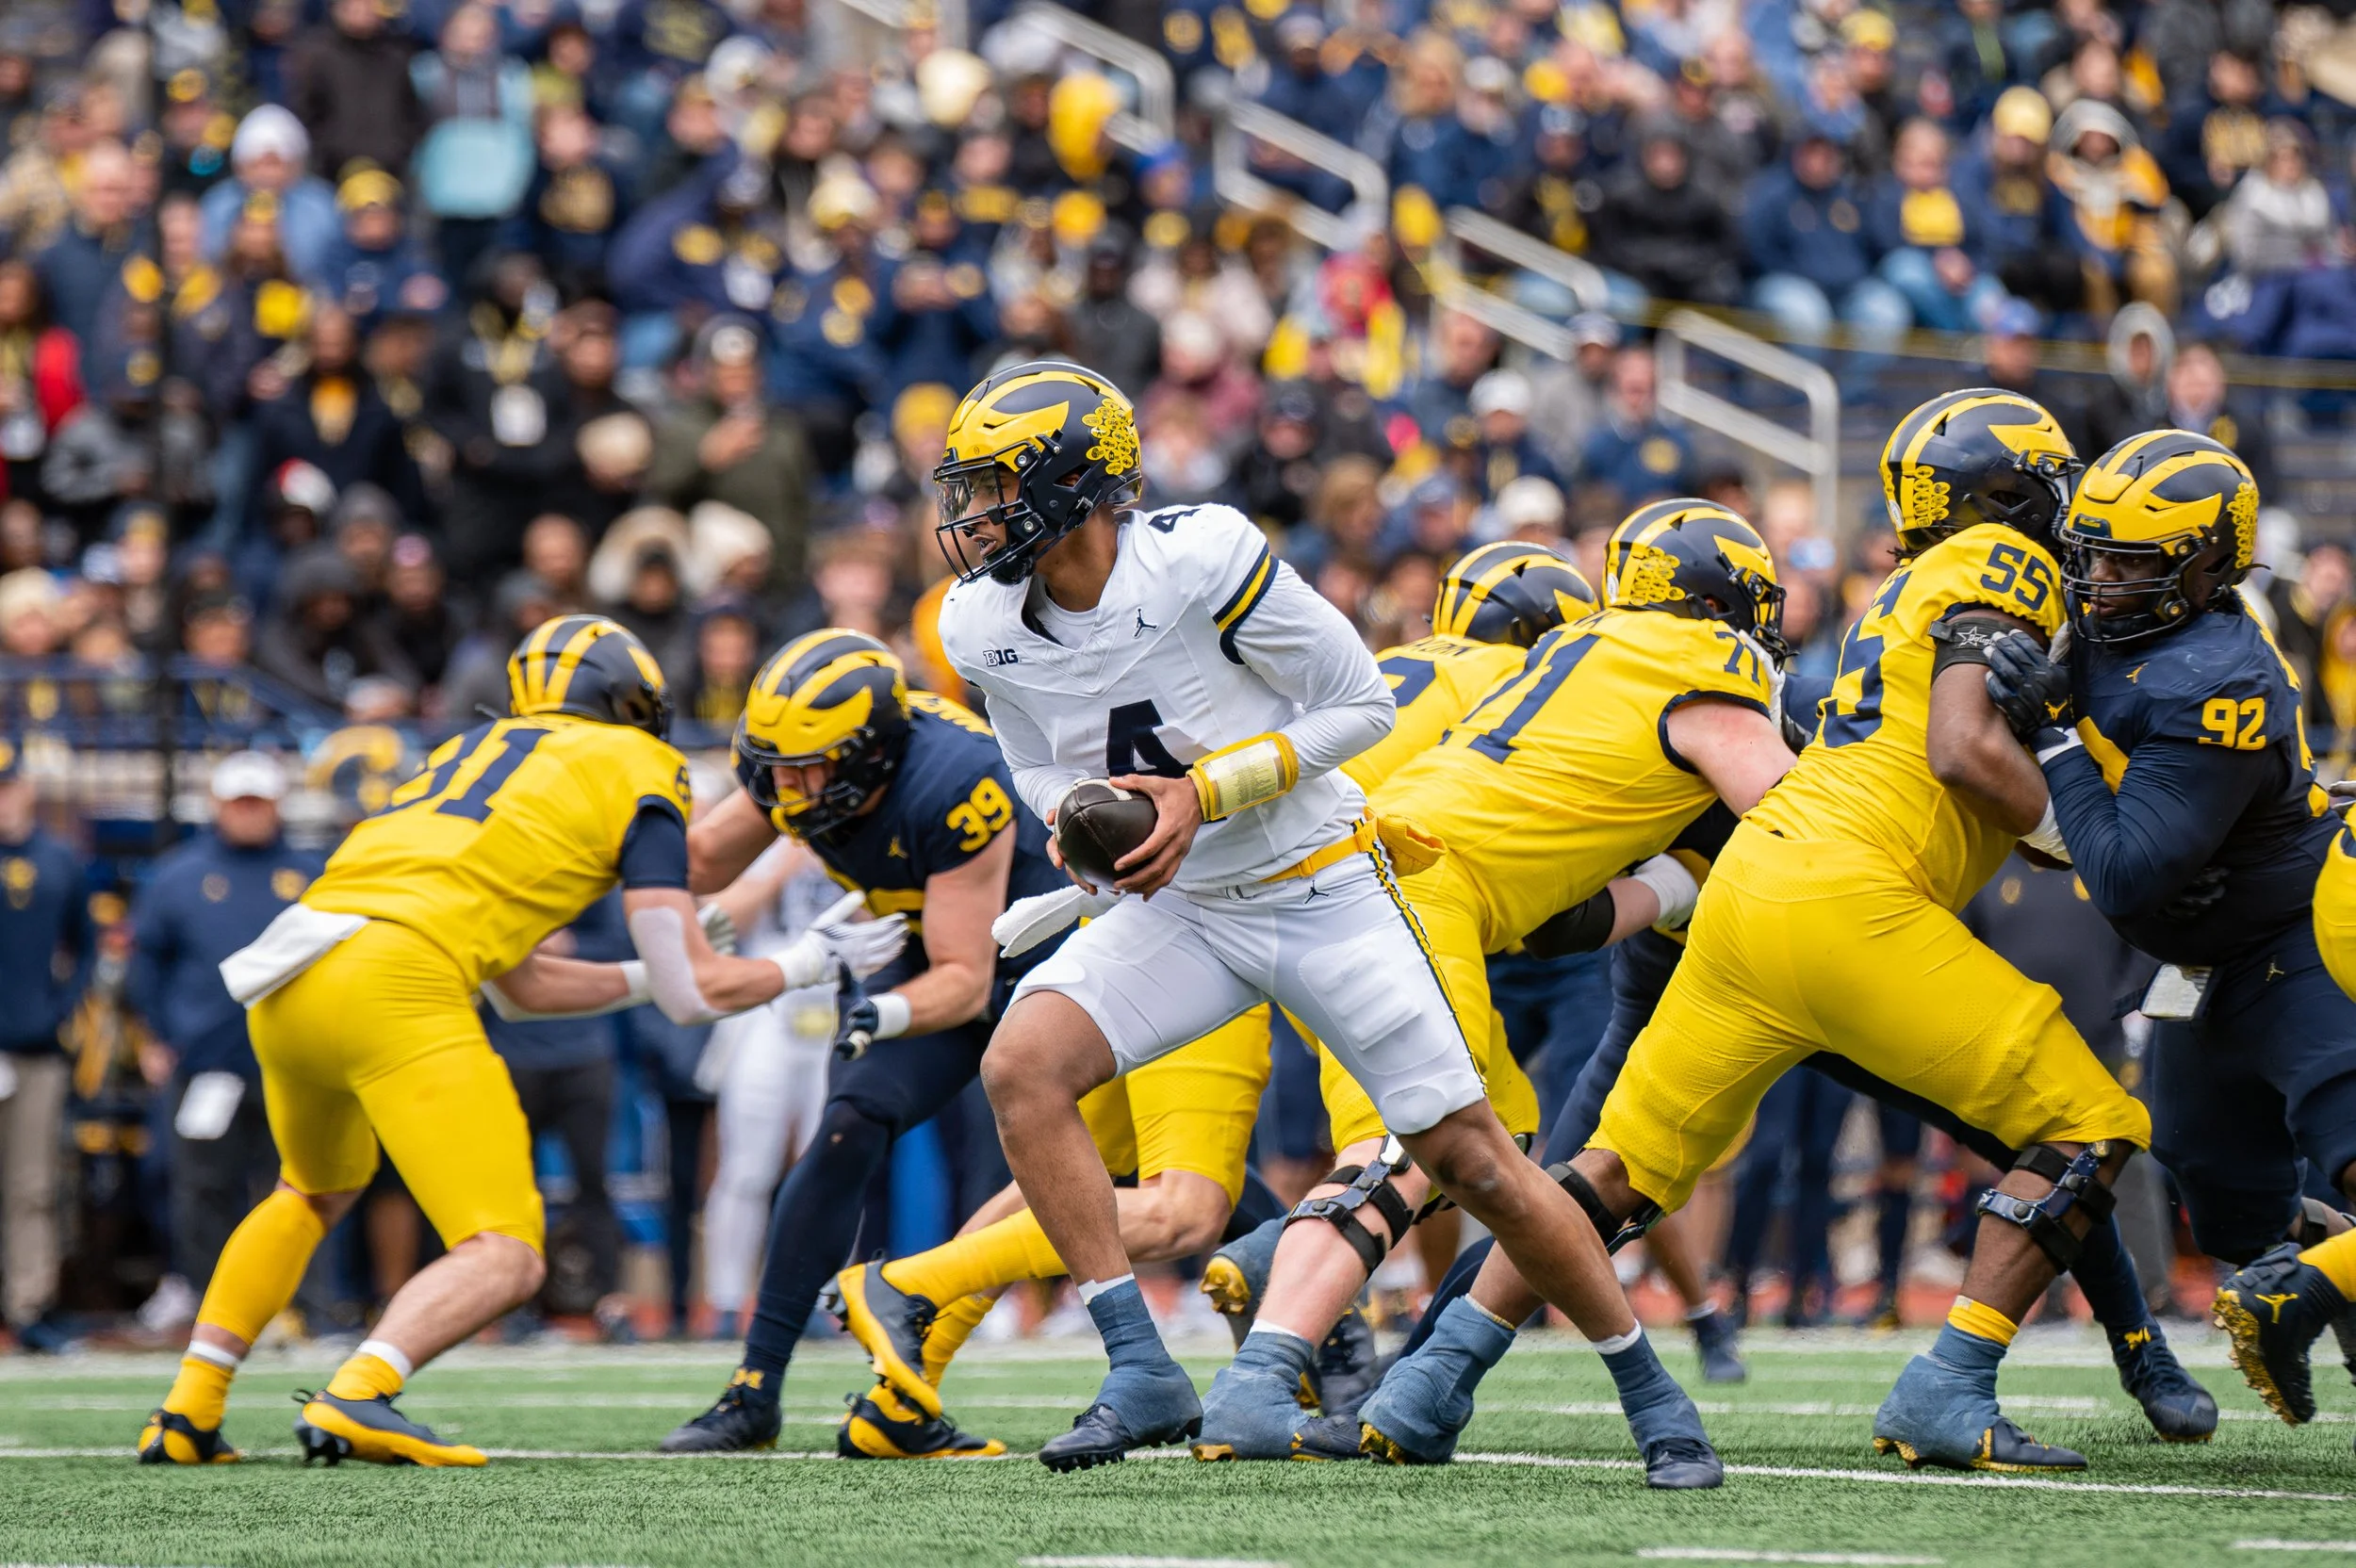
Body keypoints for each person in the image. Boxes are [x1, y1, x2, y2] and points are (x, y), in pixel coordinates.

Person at [932, 361, 1722, 1483]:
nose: (974, 515)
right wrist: (1077, 825)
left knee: (1474, 1158)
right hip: (1189, 903)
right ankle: (1139, 1365)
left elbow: (1361, 706)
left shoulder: (1199, 557)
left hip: (1320, 882)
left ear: (1077, 480)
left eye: (999, 485)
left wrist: (1201, 795)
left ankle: (1651, 1385)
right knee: (1022, 1063)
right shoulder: (978, 621)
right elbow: (1040, 763)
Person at [837, 543, 1595, 1443]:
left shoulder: (1400, 663)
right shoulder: (1534, 697)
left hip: (1168, 895)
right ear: (1552, 638)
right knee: (1346, 1163)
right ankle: (932, 1286)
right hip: (1307, 896)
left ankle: (910, 1368)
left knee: (1064, 1146)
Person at [1554, 389, 2156, 1475]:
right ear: (2006, 495)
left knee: (1607, 1169)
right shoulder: (1995, 568)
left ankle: (1430, 1376)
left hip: (1745, 890)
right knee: (2088, 1120)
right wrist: (2086, 832)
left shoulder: (1895, 589)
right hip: (1847, 896)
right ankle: (1955, 1379)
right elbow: (1964, 755)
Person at [137, 616, 806, 1466]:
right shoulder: (640, 764)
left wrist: (654, 964)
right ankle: (362, 1390)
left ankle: (189, 1410)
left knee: (309, 1193)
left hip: (294, 970)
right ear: (629, 700)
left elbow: (524, 988)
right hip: (397, 978)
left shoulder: (461, 756)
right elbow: (688, 973)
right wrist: (799, 965)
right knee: (506, 1248)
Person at [1206, 508, 1793, 1465]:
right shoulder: (1701, 664)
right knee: (1429, 1154)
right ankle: (1266, 1367)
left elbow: (1582, 909)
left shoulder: (1568, 656)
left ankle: (1411, 1380)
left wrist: (1652, 886)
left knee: (1498, 1150)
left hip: (1343, 865)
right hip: (1420, 879)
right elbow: (1781, 812)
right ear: (1721, 603)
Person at [1982, 433, 2356, 1434]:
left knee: (2350, 1142)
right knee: (2220, 1195)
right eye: (2090, 555)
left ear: (2200, 565)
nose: (2097, 581)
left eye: (2126, 563)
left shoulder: (2219, 670)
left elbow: (2123, 871)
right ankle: (2329, 1261)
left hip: (2301, 938)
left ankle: (2323, 1285)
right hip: (2197, 958)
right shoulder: (2112, 621)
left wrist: (2052, 737)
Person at [659, 629, 1056, 1458]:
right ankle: (754, 1389)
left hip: (1043, 958)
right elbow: (695, 860)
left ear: (870, 756)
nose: (788, 792)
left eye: (810, 770)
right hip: (932, 947)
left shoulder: (953, 779)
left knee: (1172, 1169)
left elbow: (963, 976)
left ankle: (1306, 1345)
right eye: (776, 769)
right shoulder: (798, 767)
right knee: (851, 1119)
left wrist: (879, 1014)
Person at [127, 753, 325, 1335]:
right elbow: (146, 964)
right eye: (238, 802)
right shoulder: (179, 875)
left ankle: (299, 1305)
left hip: (293, 1061)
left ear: (276, 804)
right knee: (201, 1187)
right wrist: (157, 1036)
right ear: (217, 806)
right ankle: (210, 1299)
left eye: (257, 802)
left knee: (298, 1186)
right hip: (207, 1059)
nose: (248, 813)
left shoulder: (310, 872)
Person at [0, 738, 91, 1353]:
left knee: (32, 1185)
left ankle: (27, 1303)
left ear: (27, 788)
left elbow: (87, 945)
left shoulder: (60, 860)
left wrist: (60, 1009)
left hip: (34, 1049)